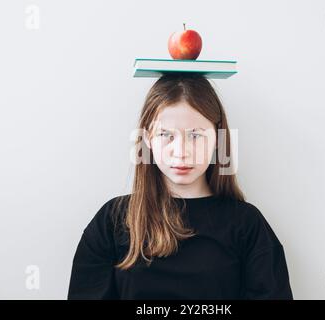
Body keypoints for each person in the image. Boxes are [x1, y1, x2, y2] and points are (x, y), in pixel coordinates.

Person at [67, 73, 293, 299]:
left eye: (196, 135)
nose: (181, 151)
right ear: (147, 140)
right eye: (166, 135)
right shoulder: (112, 221)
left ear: (218, 138)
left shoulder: (247, 225)